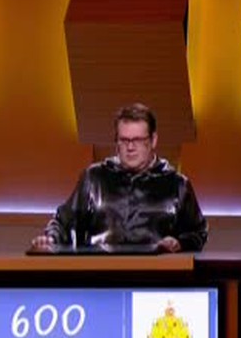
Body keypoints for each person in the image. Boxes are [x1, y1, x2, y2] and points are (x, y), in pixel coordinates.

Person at [30, 103, 208, 253]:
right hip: (100, 275)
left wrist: (179, 244)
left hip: (157, 277)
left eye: (137, 140)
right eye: (124, 140)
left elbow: (197, 233)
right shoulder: (94, 179)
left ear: (153, 140)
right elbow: (63, 222)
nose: (130, 148)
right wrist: (50, 240)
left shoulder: (177, 185)